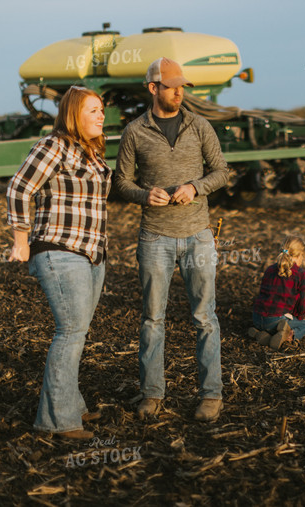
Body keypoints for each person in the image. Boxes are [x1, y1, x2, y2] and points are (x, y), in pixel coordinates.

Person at [114, 57, 229, 422]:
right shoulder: (134, 131)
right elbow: (121, 182)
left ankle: (211, 395)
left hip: (198, 236)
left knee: (205, 318)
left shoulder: (200, 126)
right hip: (154, 238)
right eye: (172, 85)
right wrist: (144, 195)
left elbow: (222, 172)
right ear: (153, 88)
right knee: (152, 319)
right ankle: (152, 394)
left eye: (183, 86)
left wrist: (196, 186)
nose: (179, 91)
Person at [6, 86, 111, 440]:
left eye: (101, 110)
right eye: (93, 110)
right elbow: (20, 188)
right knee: (70, 332)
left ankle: (72, 404)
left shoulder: (93, 153)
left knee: (77, 333)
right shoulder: (54, 146)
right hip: (60, 249)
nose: (101, 116)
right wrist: (20, 240)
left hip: (92, 253)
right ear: (73, 115)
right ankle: (56, 421)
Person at [249, 236, 305, 350]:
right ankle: (287, 337)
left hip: (257, 317)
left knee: (273, 320)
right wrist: (301, 316)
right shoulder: (300, 274)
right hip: (275, 320)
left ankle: (261, 333)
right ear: (300, 255)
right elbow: (303, 302)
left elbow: (262, 293)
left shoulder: (270, 269)